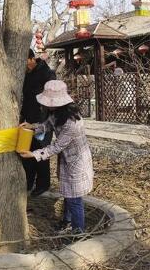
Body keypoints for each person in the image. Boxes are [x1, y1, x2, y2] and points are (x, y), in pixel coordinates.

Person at [18, 80, 94, 234]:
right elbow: (47, 125)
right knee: (68, 193)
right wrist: (32, 127)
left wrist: (33, 155)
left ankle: (78, 232)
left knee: (75, 199)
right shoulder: (57, 113)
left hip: (77, 162)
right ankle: (66, 221)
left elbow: (56, 146)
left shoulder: (72, 122)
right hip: (67, 160)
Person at [21, 49, 56, 197]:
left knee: (41, 150)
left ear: (31, 59)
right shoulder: (26, 75)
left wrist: (46, 118)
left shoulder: (46, 73)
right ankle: (28, 181)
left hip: (43, 119)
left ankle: (43, 184)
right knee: (27, 151)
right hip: (28, 118)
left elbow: (53, 97)